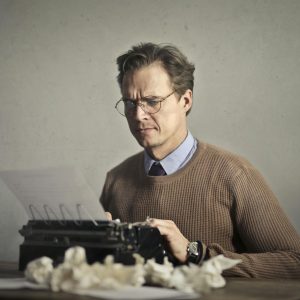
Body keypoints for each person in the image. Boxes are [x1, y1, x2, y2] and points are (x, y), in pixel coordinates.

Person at [100, 42, 300, 278]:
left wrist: (196, 253)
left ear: (185, 101)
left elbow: (294, 261)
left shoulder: (235, 174)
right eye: (130, 103)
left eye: (152, 101)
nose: (138, 115)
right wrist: (94, 247)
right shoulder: (115, 180)